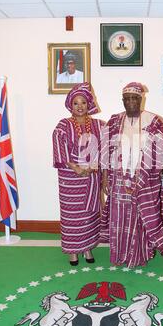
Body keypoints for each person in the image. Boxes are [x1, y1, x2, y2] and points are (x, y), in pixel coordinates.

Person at [100, 82, 163, 268]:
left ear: (141, 99)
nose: (130, 102)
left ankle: (139, 255)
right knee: (120, 216)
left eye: (134, 98)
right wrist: (105, 177)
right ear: (122, 101)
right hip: (118, 177)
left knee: (140, 216)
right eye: (127, 99)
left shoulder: (154, 121)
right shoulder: (115, 120)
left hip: (145, 177)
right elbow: (105, 151)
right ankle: (120, 255)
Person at [53, 83, 104, 266]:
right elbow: (59, 147)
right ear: (70, 105)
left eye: (83, 102)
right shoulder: (63, 125)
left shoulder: (99, 125)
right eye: (76, 103)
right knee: (72, 215)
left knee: (90, 214)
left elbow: (106, 149)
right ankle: (73, 251)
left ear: (89, 104)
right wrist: (75, 167)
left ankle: (88, 247)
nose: (80, 106)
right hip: (70, 178)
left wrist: (94, 166)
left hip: (91, 177)